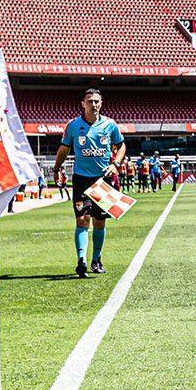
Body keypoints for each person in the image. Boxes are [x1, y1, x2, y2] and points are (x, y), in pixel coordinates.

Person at [54, 88, 126, 278]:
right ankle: (81, 261)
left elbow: (121, 146)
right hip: (81, 180)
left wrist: (116, 164)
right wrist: (56, 169)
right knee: (81, 219)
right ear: (82, 104)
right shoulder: (73, 125)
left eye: (96, 101)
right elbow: (64, 148)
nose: (93, 105)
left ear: (101, 103)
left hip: (103, 180)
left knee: (99, 222)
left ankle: (96, 260)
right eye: (90, 101)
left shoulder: (110, 125)